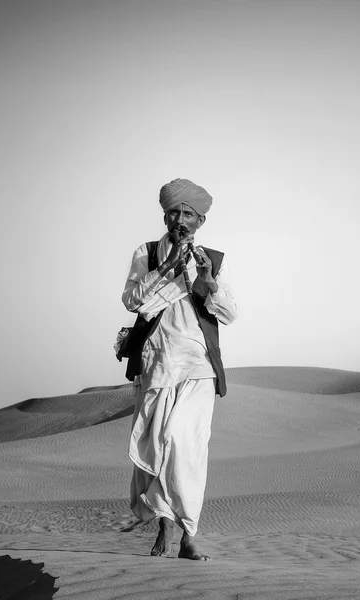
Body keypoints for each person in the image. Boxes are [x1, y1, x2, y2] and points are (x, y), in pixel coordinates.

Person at [121, 178, 237, 560]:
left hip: (198, 366)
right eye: (175, 211)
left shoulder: (214, 261)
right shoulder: (149, 253)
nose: (180, 219)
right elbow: (133, 302)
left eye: (189, 213)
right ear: (165, 214)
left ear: (200, 220)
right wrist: (168, 267)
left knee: (185, 446)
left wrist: (207, 282)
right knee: (158, 446)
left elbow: (230, 314)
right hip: (157, 364)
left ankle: (188, 535)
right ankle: (164, 527)